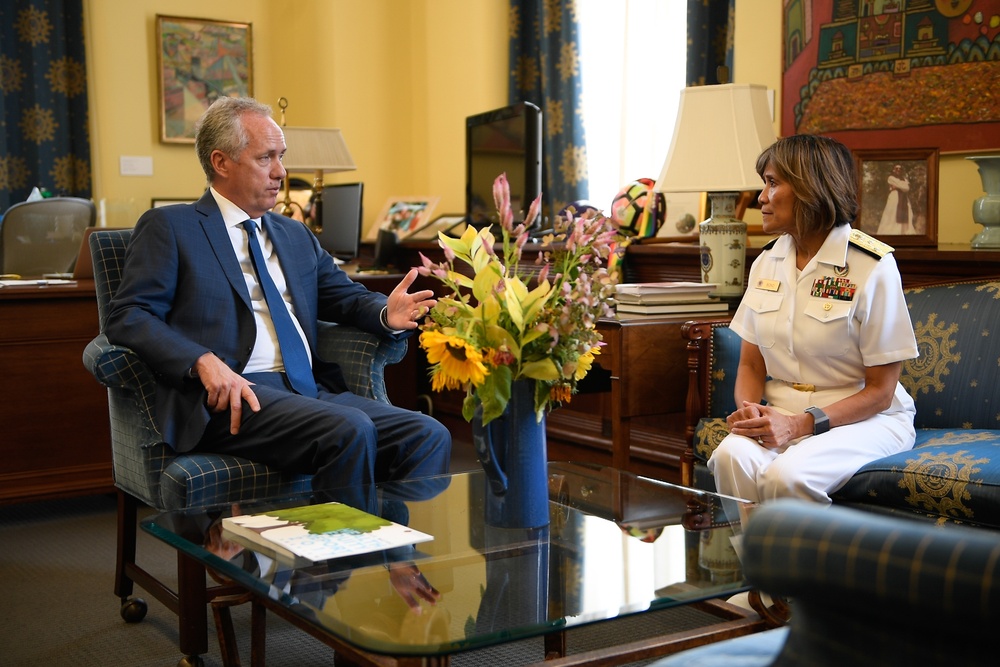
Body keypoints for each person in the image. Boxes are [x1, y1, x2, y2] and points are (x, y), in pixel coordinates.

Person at [105, 96, 452, 512]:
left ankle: (394, 551)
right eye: (266, 157)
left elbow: (342, 296)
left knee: (428, 433)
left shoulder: (294, 234)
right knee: (349, 429)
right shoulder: (172, 227)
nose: (281, 172)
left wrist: (384, 313)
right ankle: (336, 572)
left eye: (281, 157)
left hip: (306, 389)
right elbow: (129, 314)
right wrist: (201, 360)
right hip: (233, 396)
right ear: (221, 162)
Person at [708, 134, 918, 505]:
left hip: (865, 418)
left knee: (787, 476)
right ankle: (755, 562)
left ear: (810, 189)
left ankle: (806, 564)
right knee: (729, 456)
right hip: (782, 410)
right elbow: (751, 363)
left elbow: (881, 393)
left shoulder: (871, 265)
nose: (761, 197)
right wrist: (749, 411)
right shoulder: (766, 262)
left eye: (772, 183)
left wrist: (799, 425)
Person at [875, 163, 914, 235]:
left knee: (906, 213)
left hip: (904, 199)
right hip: (894, 198)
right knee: (892, 214)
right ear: (893, 170)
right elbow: (904, 187)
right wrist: (902, 186)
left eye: (900, 169)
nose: (898, 170)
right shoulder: (891, 178)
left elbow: (907, 188)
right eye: (896, 169)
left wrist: (898, 186)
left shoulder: (904, 179)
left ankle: (902, 232)